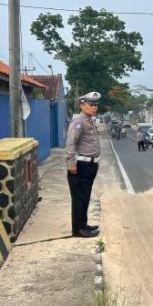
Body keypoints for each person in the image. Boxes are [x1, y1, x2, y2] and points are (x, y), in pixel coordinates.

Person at [66, 91, 101, 238]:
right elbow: (71, 143)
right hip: (80, 166)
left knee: (85, 196)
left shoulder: (89, 121)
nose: (94, 108)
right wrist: (71, 163)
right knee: (79, 198)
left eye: (95, 105)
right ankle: (78, 230)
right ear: (82, 105)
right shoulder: (78, 122)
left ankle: (83, 225)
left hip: (90, 166)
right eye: (91, 105)